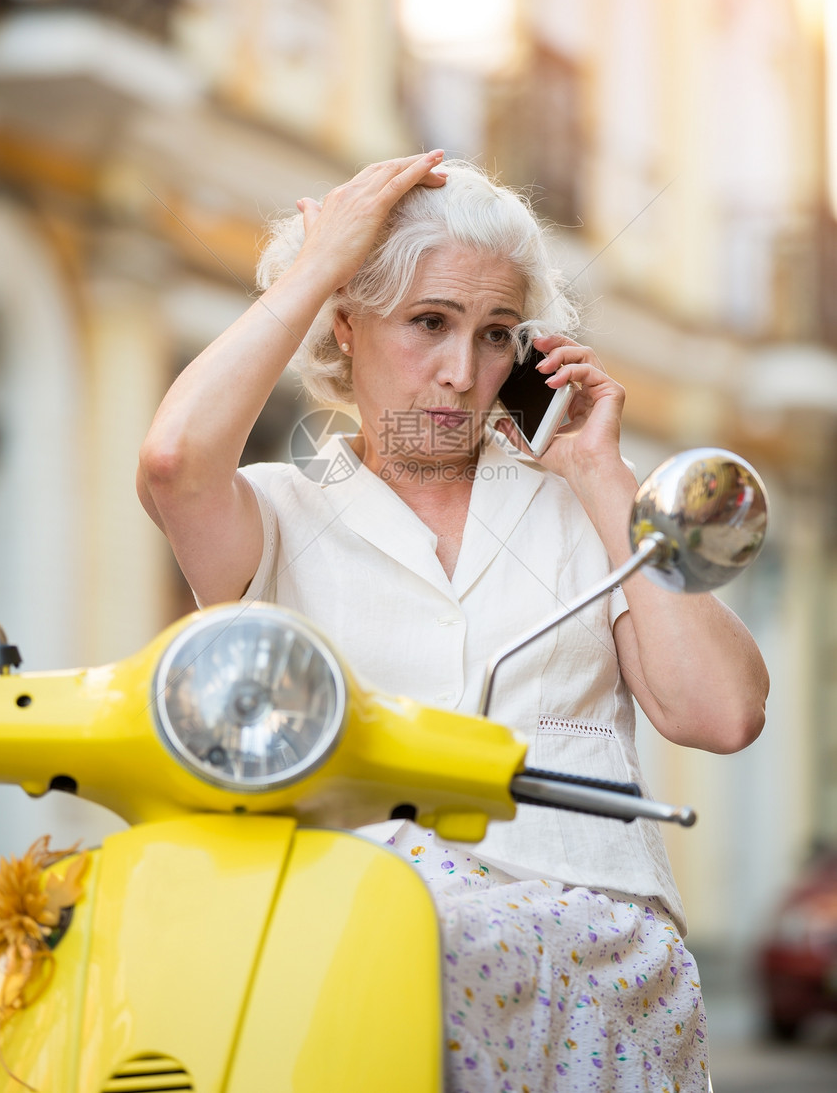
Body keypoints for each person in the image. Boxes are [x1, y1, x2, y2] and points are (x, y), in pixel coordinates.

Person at [138, 152, 768, 1092]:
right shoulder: (276, 515)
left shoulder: (589, 514)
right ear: (346, 330)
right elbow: (173, 461)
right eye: (428, 323)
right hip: (367, 954)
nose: (460, 373)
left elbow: (722, 714)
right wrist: (319, 266)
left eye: (496, 335)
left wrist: (602, 473)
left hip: (594, 972)